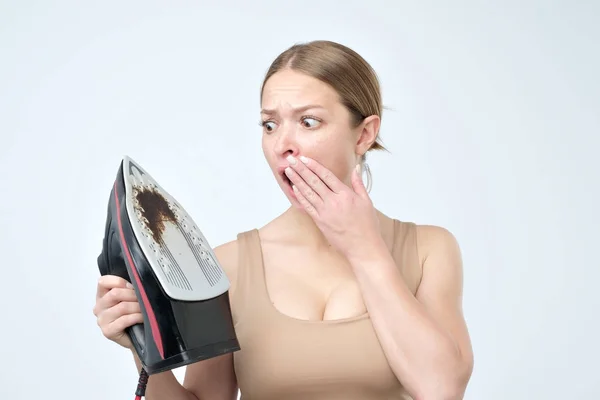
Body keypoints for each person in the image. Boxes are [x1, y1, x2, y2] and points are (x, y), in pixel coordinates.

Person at [93, 40, 474, 400]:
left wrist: (365, 249)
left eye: (308, 122)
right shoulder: (228, 266)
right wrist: (142, 348)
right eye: (270, 125)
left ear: (364, 135)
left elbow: (441, 388)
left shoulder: (429, 250)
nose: (282, 145)